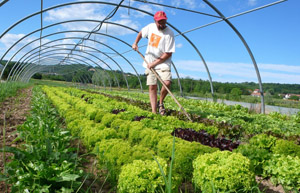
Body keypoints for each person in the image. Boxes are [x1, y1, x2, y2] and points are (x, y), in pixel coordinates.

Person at [132, 11, 175, 115]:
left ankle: (160, 103)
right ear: (155, 20)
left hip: (163, 62)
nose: (162, 24)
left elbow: (168, 53)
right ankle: (154, 111)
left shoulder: (169, 33)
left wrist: (154, 64)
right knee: (152, 86)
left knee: (167, 82)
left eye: (163, 21)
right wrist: (135, 43)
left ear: (166, 20)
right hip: (149, 61)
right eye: (159, 22)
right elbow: (141, 33)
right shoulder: (150, 27)